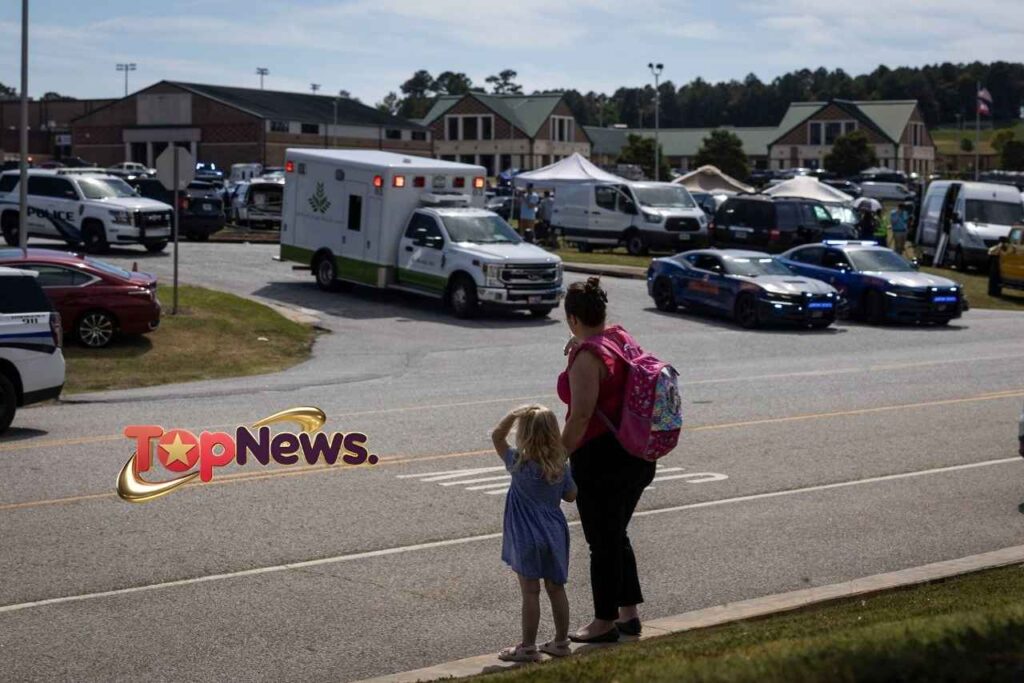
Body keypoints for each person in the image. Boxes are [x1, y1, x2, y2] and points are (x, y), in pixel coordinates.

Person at [558, 277, 656, 643]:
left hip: (602, 461)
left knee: (602, 542)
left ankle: (604, 621)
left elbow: (581, 417)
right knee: (616, 535)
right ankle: (629, 615)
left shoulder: (587, 358)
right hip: (637, 455)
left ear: (572, 318)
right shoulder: (620, 337)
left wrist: (557, 457)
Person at [492, 404, 578, 662]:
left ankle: (528, 647)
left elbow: (497, 436)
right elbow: (572, 496)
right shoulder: (559, 464)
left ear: (524, 434)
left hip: (526, 535)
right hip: (553, 532)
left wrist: (513, 414)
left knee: (530, 592)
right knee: (556, 588)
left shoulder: (518, 462)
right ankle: (561, 642)